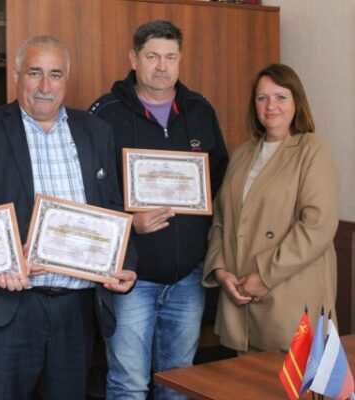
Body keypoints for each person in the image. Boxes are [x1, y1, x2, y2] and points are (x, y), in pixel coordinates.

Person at [0, 35, 137, 400]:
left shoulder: (96, 131)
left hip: (76, 310)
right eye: (34, 72)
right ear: (16, 74)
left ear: (66, 78)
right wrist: (4, 259)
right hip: (8, 308)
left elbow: (113, 207)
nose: (44, 86)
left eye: (55, 75)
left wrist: (125, 263)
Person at [89, 20, 229, 399]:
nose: (162, 67)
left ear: (180, 60)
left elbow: (219, 180)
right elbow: (89, 195)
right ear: (133, 59)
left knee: (180, 383)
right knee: (128, 384)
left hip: (188, 278)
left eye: (171, 57)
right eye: (152, 57)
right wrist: (130, 223)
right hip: (131, 279)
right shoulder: (105, 112)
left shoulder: (200, 110)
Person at [202, 63, 338, 353]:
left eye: (280, 97)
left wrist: (264, 276)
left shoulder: (312, 150)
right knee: (245, 380)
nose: (270, 106)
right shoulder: (242, 154)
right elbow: (220, 220)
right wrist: (221, 270)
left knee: (295, 380)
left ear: (297, 101)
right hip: (240, 297)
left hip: (289, 296)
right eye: (262, 98)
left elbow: (317, 227)